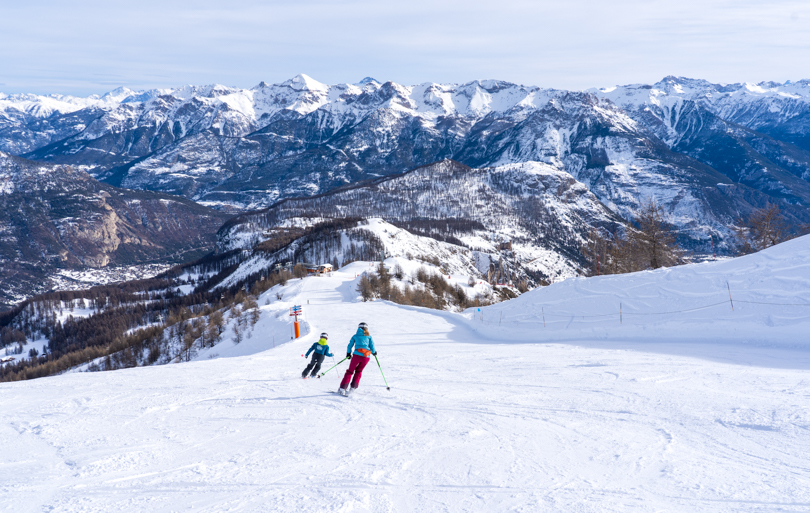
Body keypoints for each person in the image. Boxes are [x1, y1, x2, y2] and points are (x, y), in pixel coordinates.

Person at [338, 322, 376, 396]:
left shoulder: (355, 336)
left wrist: (348, 353)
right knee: (359, 371)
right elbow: (372, 346)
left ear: (359, 328)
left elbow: (350, 345)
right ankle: (352, 388)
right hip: (366, 357)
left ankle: (342, 388)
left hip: (356, 356)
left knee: (350, 371)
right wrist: (374, 352)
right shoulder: (369, 336)